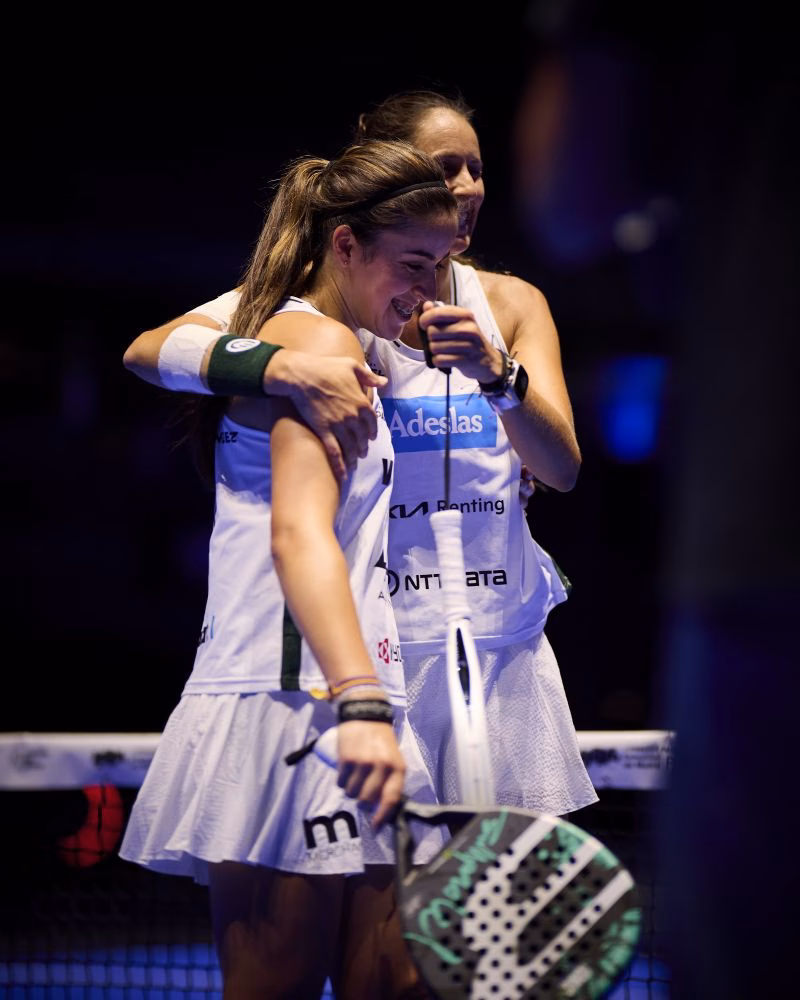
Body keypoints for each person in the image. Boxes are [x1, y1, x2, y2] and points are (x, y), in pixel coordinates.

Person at [123, 89, 597, 817]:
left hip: (497, 642)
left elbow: (561, 468)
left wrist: (499, 379)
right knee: (384, 906)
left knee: (483, 908)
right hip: (377, 640)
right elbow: (150, 349)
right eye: (445, 169)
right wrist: (278, 367)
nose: (466, 188)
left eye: (476, 167)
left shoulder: (509, 303)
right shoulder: (325, 306)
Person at [119, 138, 459, 1000]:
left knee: (392, 983)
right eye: (413, 263)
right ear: (344, 245)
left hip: (343, 699)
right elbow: (299, 538)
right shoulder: (312, 341)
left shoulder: (333, 335)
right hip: (294, 707)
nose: (428, 289)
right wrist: (362, 702)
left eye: (442, 265)